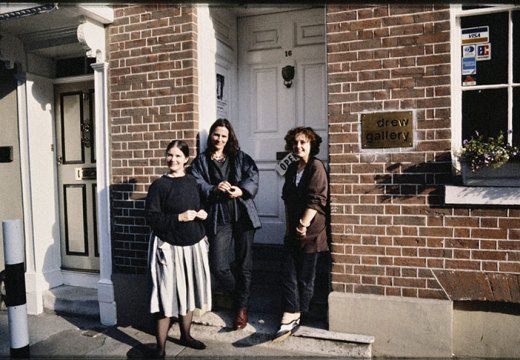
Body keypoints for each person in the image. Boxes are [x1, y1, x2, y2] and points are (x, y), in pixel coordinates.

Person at [190, 118, 261, 330]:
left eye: (224, 136)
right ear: (211, 136)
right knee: (219, 265)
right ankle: (240, 293)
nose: (219, 139)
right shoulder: (201, 161)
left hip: (243, 215)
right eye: (216, 134)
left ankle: (241, 307)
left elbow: (253, 175)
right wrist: (213, 188)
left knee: (244, 264)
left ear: (229, 138)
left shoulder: (240, 157)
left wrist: (241, 190)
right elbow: (196, 181)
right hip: (219, 216)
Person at [146, 140, 211, 356]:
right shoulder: (159, 185)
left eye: (177, 156)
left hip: (193, 245)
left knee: (190, 292)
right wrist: (178, 217)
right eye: (169, 155)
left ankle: (186, 335)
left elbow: (200, 204)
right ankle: (161, 348)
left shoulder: (192, 181)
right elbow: (153, 218)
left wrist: (202, 213)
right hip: (168, 247)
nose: (172, 159)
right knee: (165, 296)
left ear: (186, 159)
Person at [273, 126, 329, 343]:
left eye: (303, 142)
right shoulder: (292, 168)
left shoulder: (317, 167)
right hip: (294, 230)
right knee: (288, 272)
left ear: (311, 144)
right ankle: (291, 313)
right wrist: (290, 229)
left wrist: (303, 225)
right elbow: (287, 199)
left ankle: (299, 314)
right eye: (295, 143)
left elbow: (316, 200)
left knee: (305, 277)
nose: (298, 146)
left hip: (311, 231)